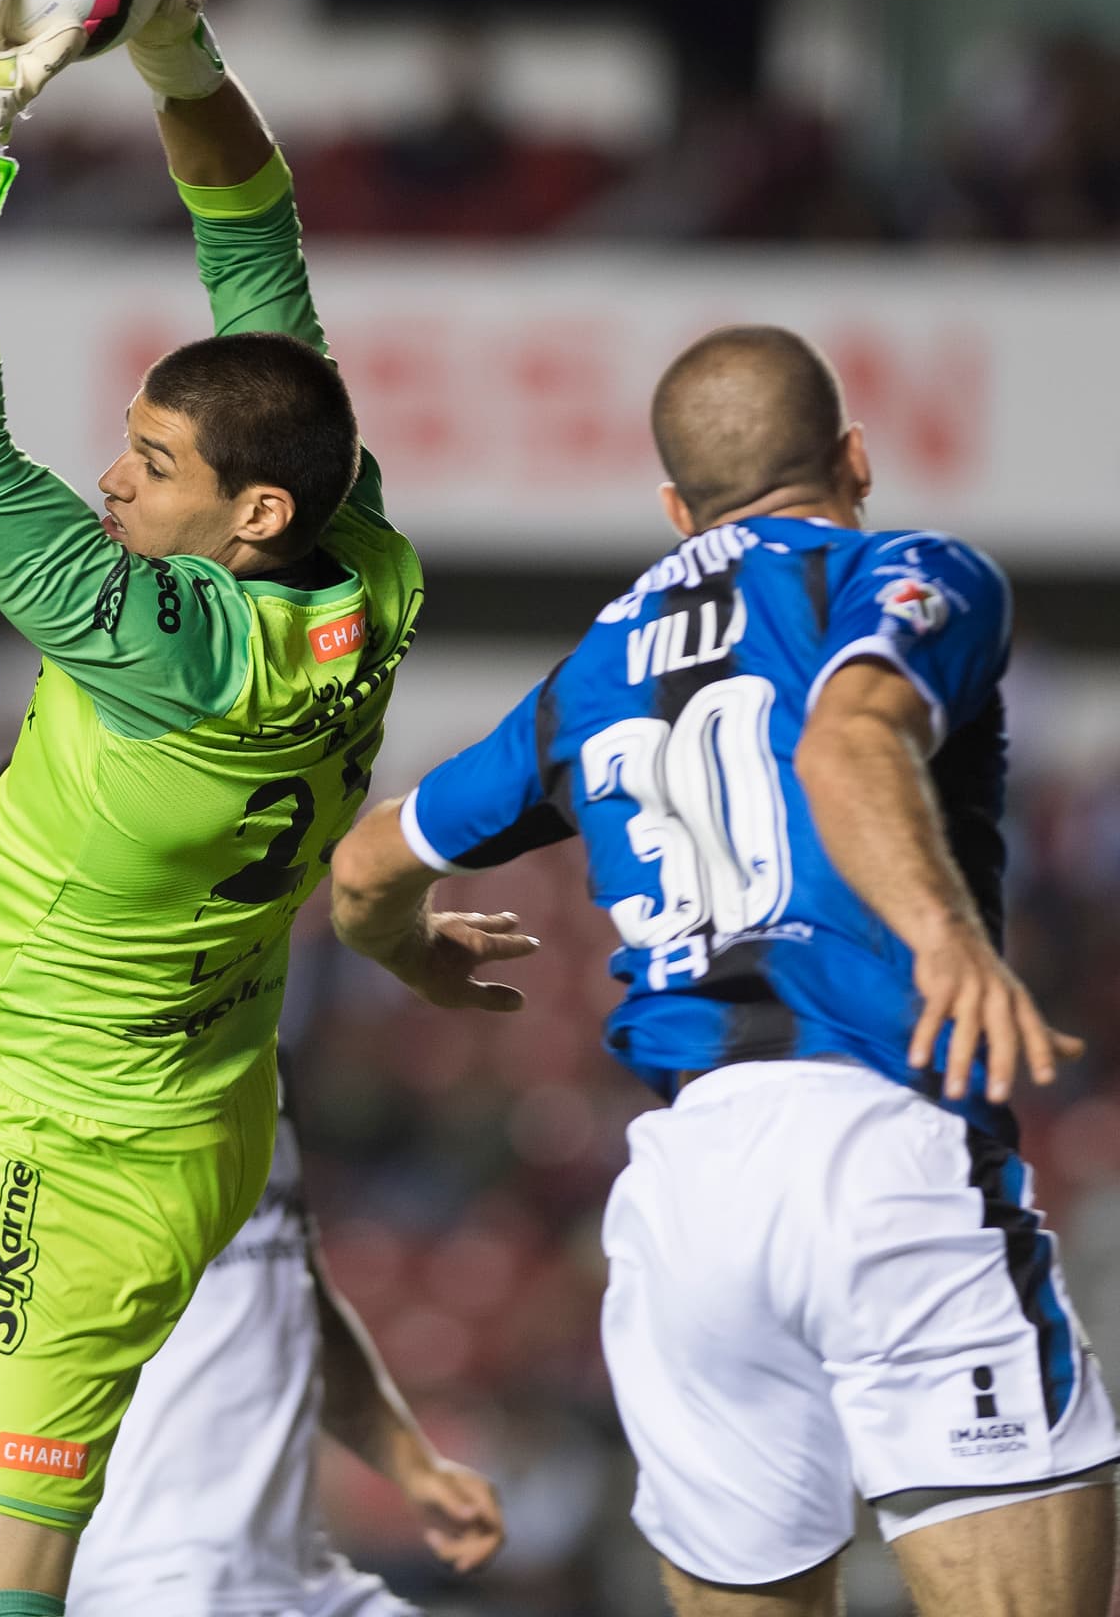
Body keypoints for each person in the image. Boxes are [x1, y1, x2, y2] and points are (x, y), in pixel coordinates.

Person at [328, 325, 1120, 1617]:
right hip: (884, 1144)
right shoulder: (909, 571)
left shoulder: (590, 673)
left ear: (671, 510)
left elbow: (364, 872)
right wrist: (948, 939)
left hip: (689, 1198)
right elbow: (848, 743)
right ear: (855, 459)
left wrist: (411, 957)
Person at [0, 0, 423, 1616]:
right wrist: (180, 42)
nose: (110, 484)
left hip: (72, 1146)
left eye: (153, 466)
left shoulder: (158, 646)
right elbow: (253, 248)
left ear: (248, 517)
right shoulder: (365, 562)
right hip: (214, 1113)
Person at [0, 1052, 503, 1617]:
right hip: (134, 1578)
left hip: (302, 1576)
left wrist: (413, 1467)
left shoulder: (259, 1062)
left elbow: (294, 1281)